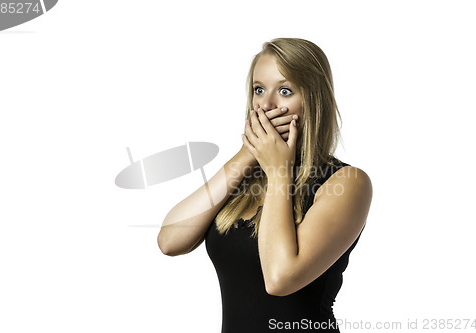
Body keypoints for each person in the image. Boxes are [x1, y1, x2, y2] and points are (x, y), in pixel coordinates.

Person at [157, 38, 373, 332]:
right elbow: (170, 242)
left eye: (285, 91)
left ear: (313, 99)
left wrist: (278, 171)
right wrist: (247, 154)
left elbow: (279, 279)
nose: (266, 104)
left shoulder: (348, 182)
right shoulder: (245, 177)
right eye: (259, 90)